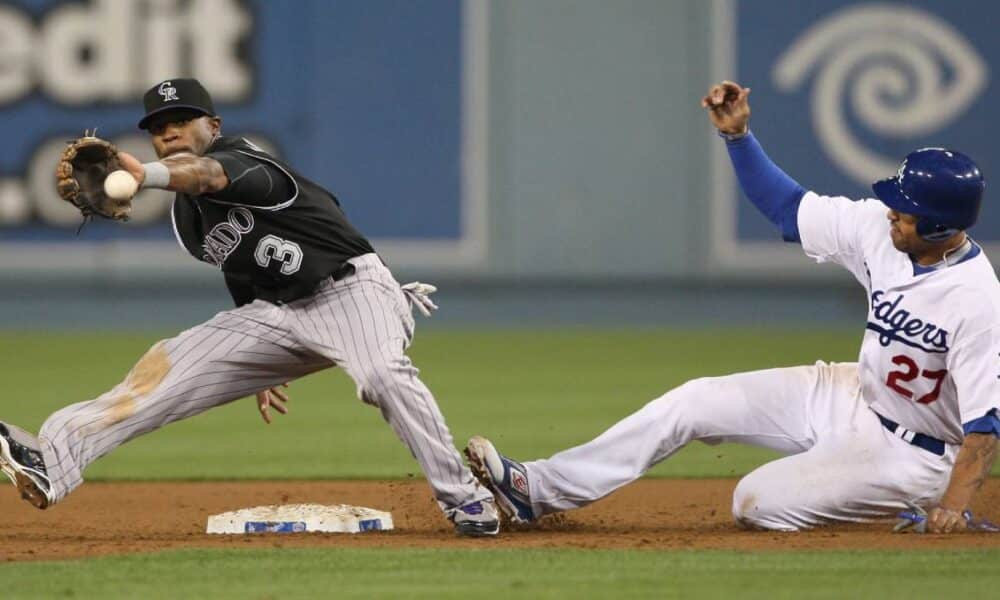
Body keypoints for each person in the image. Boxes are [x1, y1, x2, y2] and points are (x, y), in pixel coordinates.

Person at [464, 80, 999, 533]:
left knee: (755, 502)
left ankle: (899, 502)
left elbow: (984, 423)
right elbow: (788, 209)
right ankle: (537, 488)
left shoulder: (975, 300)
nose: (890, 214)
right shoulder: (880, 231)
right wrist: (736, 135)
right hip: (853, 395)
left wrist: (953, 507)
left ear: (938, 227)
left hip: (915, 454)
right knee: (695, 400)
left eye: (903, 211)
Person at [0, 78, 499, 537]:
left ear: (213, 126)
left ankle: (466, 500)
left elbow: (207, 175)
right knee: (166, 368)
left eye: (182, 120)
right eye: (158, 127)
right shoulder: (187, 221)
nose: (169, 131)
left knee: (381, 376)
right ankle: (54, 458)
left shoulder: (244, 160)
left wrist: (148, 174)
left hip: (354, 290)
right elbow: (240, 266)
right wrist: (263, 362)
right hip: (282, 313)